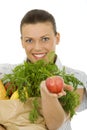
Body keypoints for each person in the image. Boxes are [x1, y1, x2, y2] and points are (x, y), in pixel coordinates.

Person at [0, 9, 87, 130]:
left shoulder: (76, 78)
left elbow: (55, 124)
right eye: (29, 40)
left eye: (45, 39)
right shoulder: (5, 73)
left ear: (57, 38)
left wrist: (46, 92)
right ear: (22, 42)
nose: (37, 47)